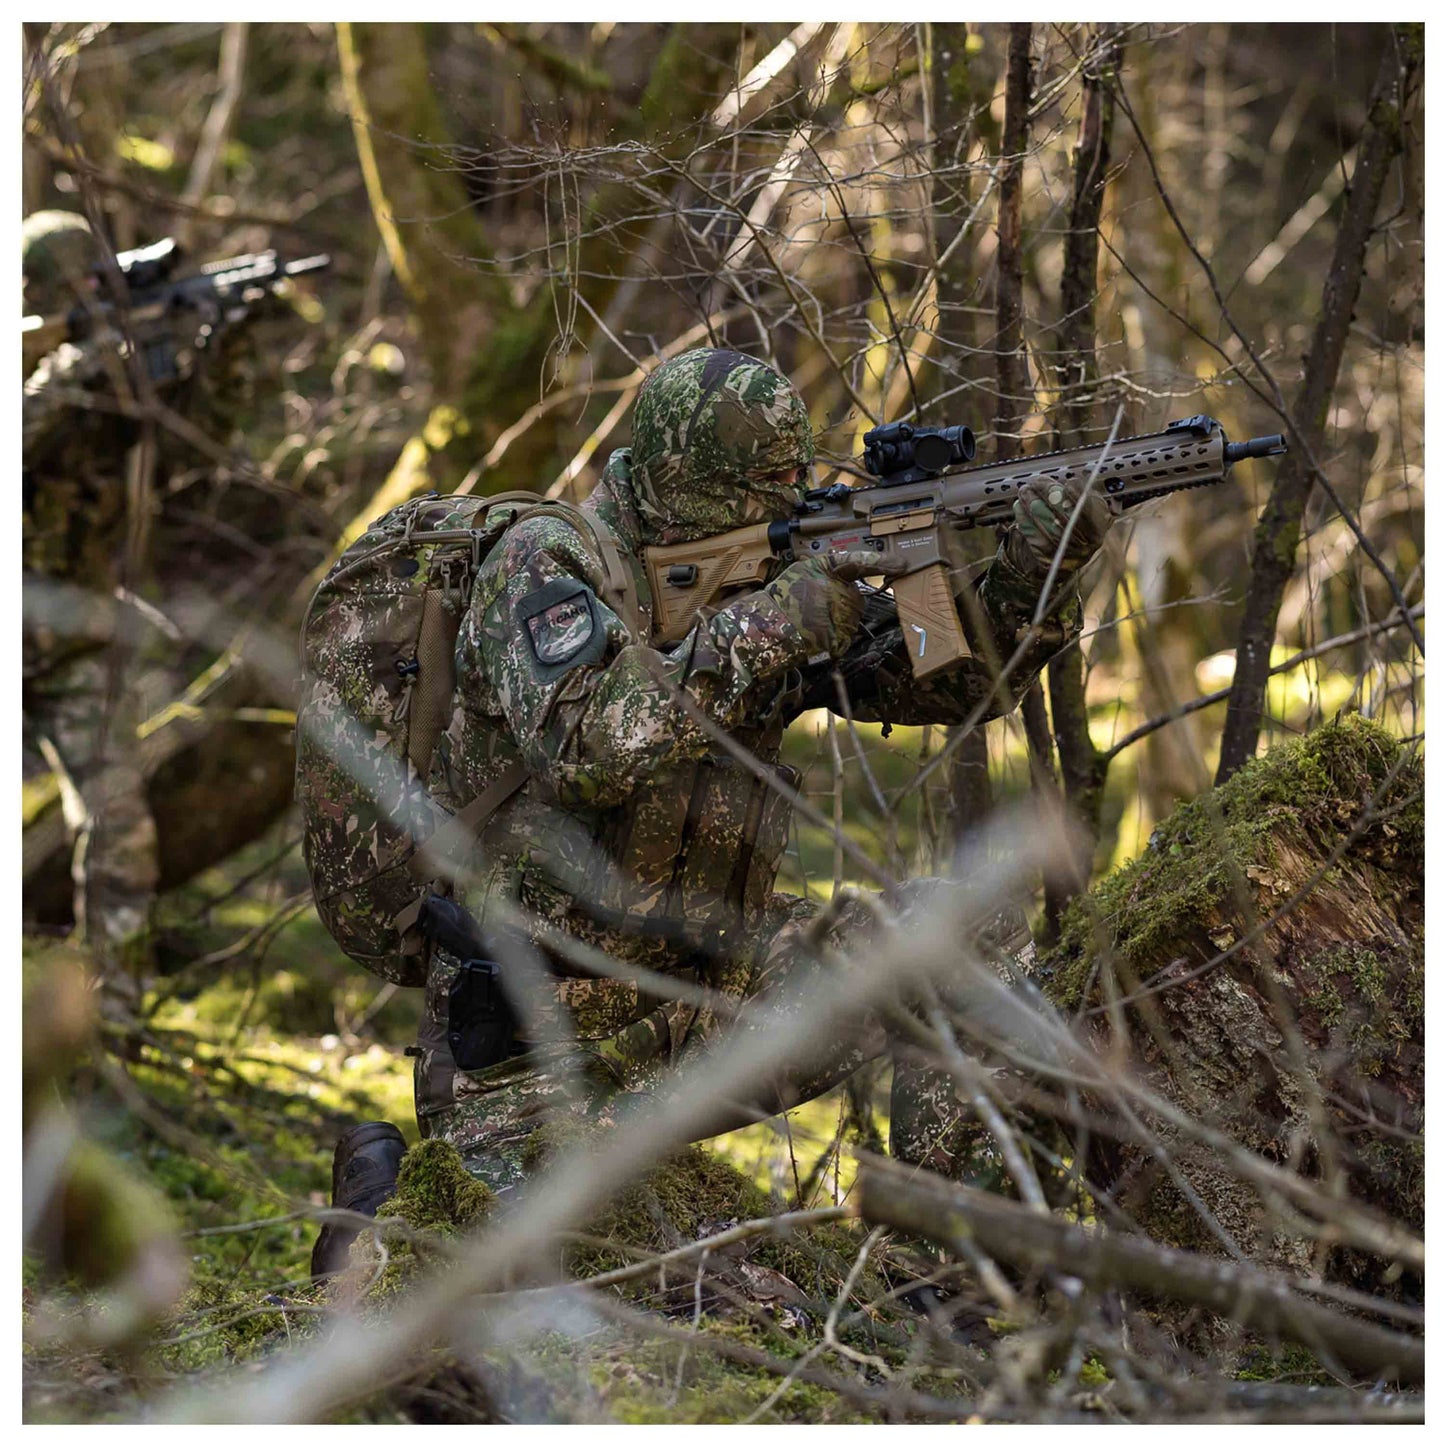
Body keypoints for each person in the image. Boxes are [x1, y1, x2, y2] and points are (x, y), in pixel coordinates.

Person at [312, 348, 1109, 1273]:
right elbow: (589, 747)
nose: (775, 510)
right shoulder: (542, 561)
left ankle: (952, 1283)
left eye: (785, 484)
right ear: (673, 486)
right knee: (518, 1268)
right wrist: (786, 616)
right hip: (537, 1044)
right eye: (753, 490)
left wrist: (1031, 581)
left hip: (707, 1000)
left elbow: (947, 683)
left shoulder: (759, 577)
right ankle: (390, 1202)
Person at [22, 209, 285, 995]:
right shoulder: (49, 365)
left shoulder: (112, 371)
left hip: (76, 644)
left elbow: (194, 447)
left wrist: (223, 347)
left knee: (119, 834)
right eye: (75, 289)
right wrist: (83, 364)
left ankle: (112, 1017)